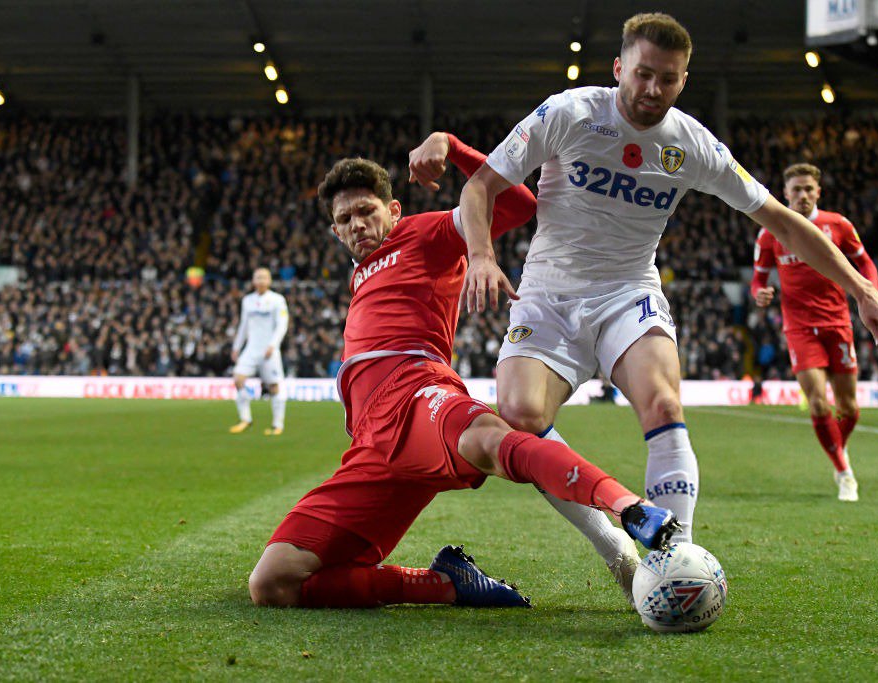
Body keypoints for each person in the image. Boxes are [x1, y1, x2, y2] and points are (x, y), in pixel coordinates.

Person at [456, 12, 878, 602]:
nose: (653, 90)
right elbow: (480, 187)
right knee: (519, 416)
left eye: (668, 80)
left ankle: (677, 566)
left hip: (629, 292)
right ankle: (619, 552)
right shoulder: (568, 113)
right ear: (619, 68)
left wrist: (864, 290)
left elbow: (782, 220)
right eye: (643, 74)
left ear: (683, 81)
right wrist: (479, 255)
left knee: (663, 401)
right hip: (547, 295)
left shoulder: (691, 143)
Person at [248, 132, 680, 610]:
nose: (357, 225)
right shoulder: (360, 274)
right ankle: (446, 584)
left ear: (392, 212)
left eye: (367, 211)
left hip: (416, 397)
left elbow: (517, 204)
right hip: (370, 443)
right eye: (345, 219)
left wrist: (451, 148)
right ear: (335, 232)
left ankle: (628, 511)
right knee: (273, 583)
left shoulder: (423, 233)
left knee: (492, 440)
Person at [751, 163, 878, 501]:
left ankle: (838, 448)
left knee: (849, 408)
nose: (803, 195)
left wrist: (872, 294)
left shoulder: (838, 225)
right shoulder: (770, 232)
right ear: (786, 193)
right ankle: (844, 471)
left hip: (838, 322)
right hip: (799, 327)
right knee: (820, 404)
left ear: (818, 191)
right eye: (797, 190)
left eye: (809, 189)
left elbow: (865, 262)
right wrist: (759, 294)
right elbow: (758, 279)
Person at [230, 268, 289, 435]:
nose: (261, 280)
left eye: (264, 277)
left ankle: (277, 425)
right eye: (258, 277)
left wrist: (273, 344)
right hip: (251, 348)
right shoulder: (247, 300)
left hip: (269, 349)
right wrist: (236, 347)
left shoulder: (277, 300)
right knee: (238, 378)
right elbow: (243, 326)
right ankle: (245, 419)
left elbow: (282, 324)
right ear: (253, 281)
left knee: (273, 386)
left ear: (269, 281)